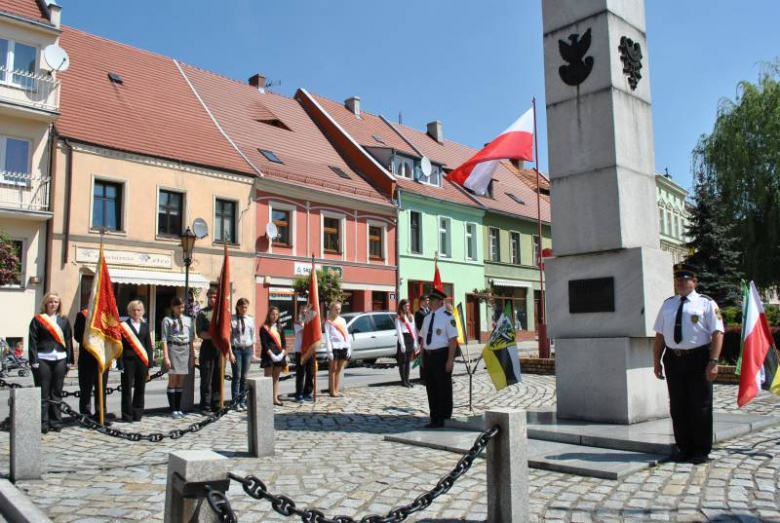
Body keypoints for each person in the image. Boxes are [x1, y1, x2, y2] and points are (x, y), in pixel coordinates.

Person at [653, 262, 724, 464]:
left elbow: (717, 333)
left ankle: (701, 450)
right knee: (678, 405)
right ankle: (683, 447)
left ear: (695, 281)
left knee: (699, 405)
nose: (682, 283)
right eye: (678, 280)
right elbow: (659, 335)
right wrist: (656, 361)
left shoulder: (707, 303)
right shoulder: (668, 304)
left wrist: (714, 361)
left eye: (686, 279)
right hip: (673, 359)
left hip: (699, 358)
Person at [28, 293, 73, 433]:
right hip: (42, 357)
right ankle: (43, 422)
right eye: (51, 302)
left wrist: (70, 360)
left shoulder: (64, 320)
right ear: (46, 304)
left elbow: (68, 341)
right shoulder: (38, 320)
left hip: (60, 358)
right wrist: (33, 360)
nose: (54, 304)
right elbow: (32, 341)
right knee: (43, 392)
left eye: (56, 302)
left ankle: (56, 421)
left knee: (57, 391)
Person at [419, 289, 458, 428]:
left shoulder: (448, 317)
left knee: (443, 388)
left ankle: (444, 417)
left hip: (442, 355)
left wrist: (450, 360)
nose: (429, 303)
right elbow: (423, 339)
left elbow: (453, 340)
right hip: (429, 356)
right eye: (429, 300)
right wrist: (421, 357)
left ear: (439, 302)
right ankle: (434, 417)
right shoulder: (427, 317)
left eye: (432, 300)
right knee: (431, 388)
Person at [118, 300, 153, 422]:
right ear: (129, 311)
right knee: (126, 388)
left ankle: (138, 413)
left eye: (138, 310)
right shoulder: (123, 326)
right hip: (128, 360)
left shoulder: (145, 326)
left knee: (140, 388)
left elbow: (148, 345)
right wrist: (120, 362)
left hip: (142, 360)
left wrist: (150, 362)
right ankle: (127, 415)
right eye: (134, 310)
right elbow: (120, 346)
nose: (136, 312)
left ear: (142, 311)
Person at [161, 296, 195, 418]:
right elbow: (164, 339)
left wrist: (192, 355)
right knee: (173, 380)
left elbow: (191, 339)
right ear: (173, 307)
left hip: (185, 349)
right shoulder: (167, 320)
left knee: (181, 381)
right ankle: (173, 409)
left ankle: (179, 408)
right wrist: (166, 357)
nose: (180, 309)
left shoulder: (188, 320)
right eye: (178, 307)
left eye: (182, 307)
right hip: (173, 349)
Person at [74, 307, 108, 420]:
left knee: (101, 388)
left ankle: (101, 414)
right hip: (87, 357)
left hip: (102, 357)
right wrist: (91, 339)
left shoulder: (106, 315)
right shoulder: (82, 315)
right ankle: (86, 415)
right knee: (86, 388)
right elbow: (77, 335)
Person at [196, 288, 222, 413]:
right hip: (207, 347)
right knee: (206, 379)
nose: (213, 299)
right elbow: (200, 333)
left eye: (215, 297)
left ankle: (216, 404)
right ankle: (205, 405)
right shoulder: (202, 313)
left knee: (217, 378)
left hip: (219, 349)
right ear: (207, 297)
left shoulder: (222, 313)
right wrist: (213, 336)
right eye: (211, 297)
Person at [230, 298, 255, 410]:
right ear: (238, 307)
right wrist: (230, 352)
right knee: (237, 376)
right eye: (242, 307)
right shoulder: (232, 319)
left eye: (245, 307)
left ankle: (242, 401)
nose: (244, 309)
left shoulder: (250, 319)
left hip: (247, 349)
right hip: (237, 349)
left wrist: (252, 351)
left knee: (244, 377)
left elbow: (252, 335)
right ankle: (235, 402)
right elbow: (228, 337)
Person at [260, 306, 287, 405]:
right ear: (269, 315)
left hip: (279, 354)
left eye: (276, 314)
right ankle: (266, 399)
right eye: (273, 314)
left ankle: (275, 398)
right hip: (268, 355)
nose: (274, 316)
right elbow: (264, 343)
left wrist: (282, 353)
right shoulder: (264, 328)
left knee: (276, 378)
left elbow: (284, 342)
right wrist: (271, 355)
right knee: (267, 378)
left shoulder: (280, 327)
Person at [324, 301, 350, 397]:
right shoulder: (328, 322)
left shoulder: (342, 320)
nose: (338, 311)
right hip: (334, 347)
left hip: (343, 346)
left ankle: (336, 389)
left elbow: (346, 334)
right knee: (333, 369)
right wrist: (329, 350)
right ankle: (332, 391)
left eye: (339, 309)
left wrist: (348, 347)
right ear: (331, 310)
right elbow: (327, 337)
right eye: (336, 309)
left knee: (339, 369)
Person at [293, 304, 316, 402]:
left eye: (305, 309)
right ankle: (299, 393)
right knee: (300, 373)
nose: (303, 311)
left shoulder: (310, 322)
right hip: (300, 350)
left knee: (310, 372)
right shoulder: (297, 322)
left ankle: (308, 392)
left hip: (310, 349)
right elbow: (304, 333)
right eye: (302, 309)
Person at [395, 299, 418, 388]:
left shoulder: (411, 316)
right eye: (405, 306)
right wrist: (402, 344)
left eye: (408, 306)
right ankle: (403, 381)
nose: (407, 307)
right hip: (403, 339)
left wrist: (415, 341)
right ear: (401, 306)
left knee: (408, 361)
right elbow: (399, 331)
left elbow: (414, 330)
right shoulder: (398, 317)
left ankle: (408, 380)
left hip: (410, 339)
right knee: (403, 362)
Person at [414, 295, 431, 384]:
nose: (428, 302)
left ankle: (428, 376)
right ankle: (423, 377)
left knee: (428, 358)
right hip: (422, 337)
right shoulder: (418, 313)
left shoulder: (430, 311)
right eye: (426, 300)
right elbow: (419, 326)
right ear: (421, 302)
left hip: (430, 338)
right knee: (422, 357)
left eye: (428, 300)